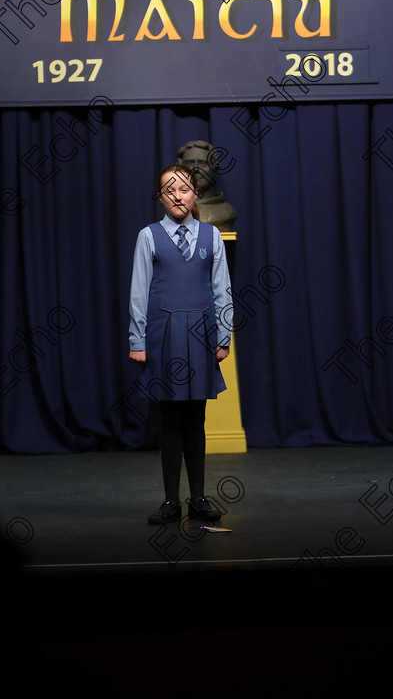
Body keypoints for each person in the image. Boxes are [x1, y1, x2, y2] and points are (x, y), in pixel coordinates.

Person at [129, 163, 233, 525]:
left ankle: (199, 499)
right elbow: (139, 293)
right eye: (169, 190)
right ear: (161, 197)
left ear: (195, 194)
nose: (177, 196)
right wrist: (137, 339)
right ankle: (172, 502)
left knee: (196, 419)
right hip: (163, 336)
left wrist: (223, 334)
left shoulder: (211, 237)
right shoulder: (149, 236)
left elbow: (222, 290)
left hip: (201, 335)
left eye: (184, 189)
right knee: (170, 420)